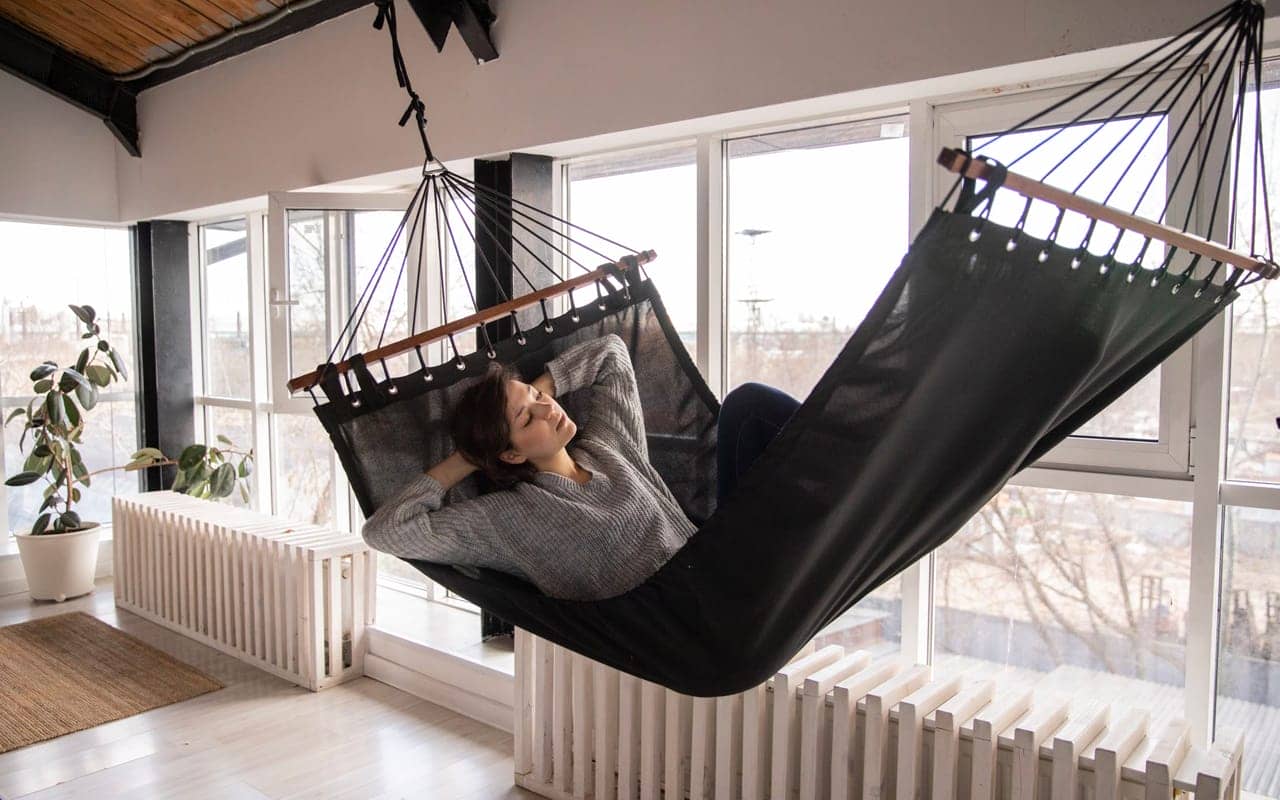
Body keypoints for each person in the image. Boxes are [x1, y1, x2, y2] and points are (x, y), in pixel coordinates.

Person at [361, 333, 799, 600]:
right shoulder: (508, 520)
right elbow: (386, 531)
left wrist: (531, 393)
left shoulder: (608, 443)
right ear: (511, 455)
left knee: (748, 406)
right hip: (690, 612)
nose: (547, 409)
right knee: (754, 412)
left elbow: (611, 354)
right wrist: (469, 458)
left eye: (538, 398)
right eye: (527, 418)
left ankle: (855, 485)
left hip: (724, 562)